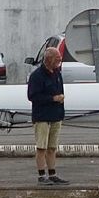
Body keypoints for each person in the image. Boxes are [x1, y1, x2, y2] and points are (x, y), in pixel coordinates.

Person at [26, 47, 68, 186]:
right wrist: (53, 99)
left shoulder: (57, 73)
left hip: (56, 115)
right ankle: (41, 175)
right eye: (57, 59)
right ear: (48, 59)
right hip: (42, 116)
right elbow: (32, 96)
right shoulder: (36, 76)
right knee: (41, 147)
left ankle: (53, 173)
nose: (59, 62)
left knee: (52, 147)